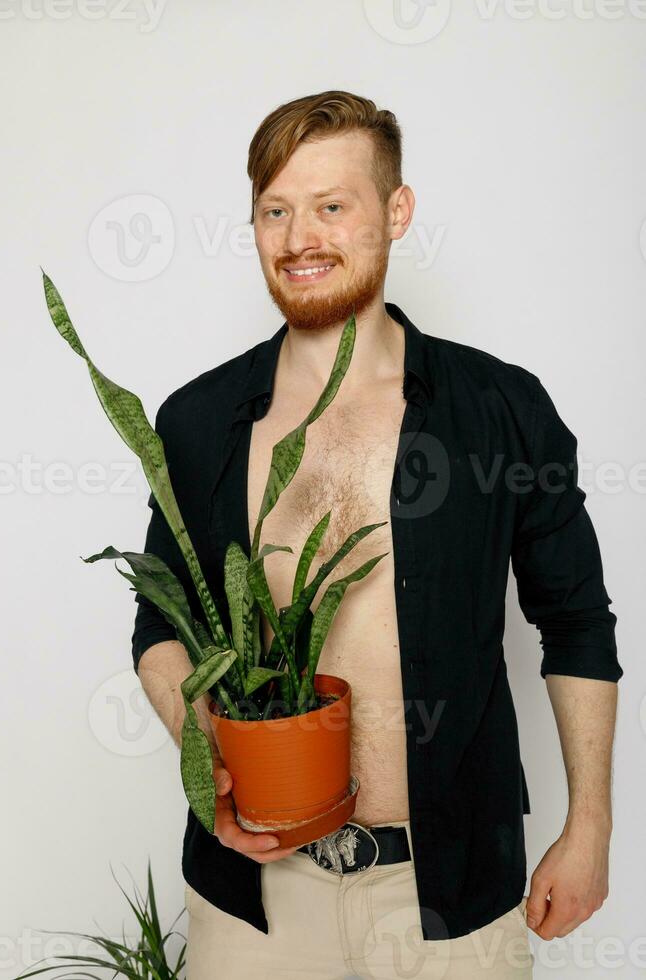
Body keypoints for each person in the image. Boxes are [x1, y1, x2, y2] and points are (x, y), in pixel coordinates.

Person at [131, 90, 622, 980]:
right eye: (274, 210)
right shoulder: (200, 421)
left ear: (396, 213)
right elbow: (160, 626)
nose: (298, 237)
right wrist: (210, 766)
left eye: (331, 205)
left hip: (449, 896)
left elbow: (577, 620)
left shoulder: (498, 409)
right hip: (256, 898)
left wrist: (588, 827)